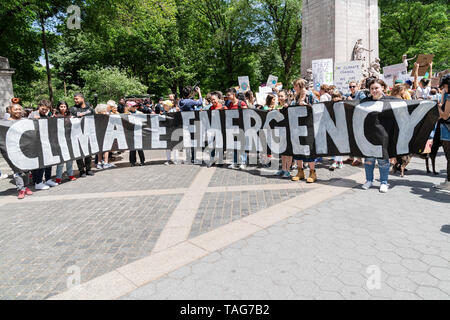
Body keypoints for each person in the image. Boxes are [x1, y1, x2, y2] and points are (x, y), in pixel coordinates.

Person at [360, 78, 392, 193]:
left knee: (383, 161)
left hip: (384, 137)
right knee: (369, 160)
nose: (374, 90)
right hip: (368, 136)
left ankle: (384, 182)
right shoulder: (364, 102)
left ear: (382, 88)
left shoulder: (389, 102)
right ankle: (369, 180)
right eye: (372, 88)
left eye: (376, 88)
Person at [291, 78, 318, 183]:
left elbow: (318, 107)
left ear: (300, 86)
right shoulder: (296, 96)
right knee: (298, 148)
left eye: (295, 86)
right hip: (297, 126)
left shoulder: (310, 95)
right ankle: (300, 171)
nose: (294, 88)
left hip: (308, 126)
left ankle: (312, 172)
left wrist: (306, 105)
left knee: (308, 148)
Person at [29, 99, 58, 190]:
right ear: (39, 106)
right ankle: (38, 182)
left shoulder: (45, 115)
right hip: (36, 143)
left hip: (45, 142)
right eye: (43, 109)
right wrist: (33, 120)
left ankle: (48, 178)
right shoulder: (33, 114)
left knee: (48, 161)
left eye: (46, 109)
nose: (44, 111)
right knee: (41, 163)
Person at [8, 103, 34, 199]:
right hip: (12, 151)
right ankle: (21, 189)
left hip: (25, 149)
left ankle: (26, 187)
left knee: (26, 170)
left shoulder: (24, 121)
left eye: (19, 109)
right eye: (15, 109)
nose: (18, 111)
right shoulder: (5, 122)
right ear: (10, 111)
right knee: (17, 171)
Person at [70, 93, 95, 178]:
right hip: (77, 135)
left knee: (88, 153)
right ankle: (81, 170)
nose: (75, 100)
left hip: (88, 134)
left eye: (77, 99)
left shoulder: (90, 109)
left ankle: (88, 169)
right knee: (79, 153)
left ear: (82, 99)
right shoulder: (73, 109)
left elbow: (95, 120)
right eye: (74, 99)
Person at [54, 101, 77, 184]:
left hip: (69, 140)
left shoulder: (69, 115)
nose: (63, 108)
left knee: (70, 159)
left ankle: (70, 174)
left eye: (64, 106)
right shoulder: (56, 116)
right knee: (61, 161)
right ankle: (58, 177)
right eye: (61, 106)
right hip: (60, 141)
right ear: (58, 107)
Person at [225, 88, 248, 170]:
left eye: (228, 95)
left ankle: (243, 162)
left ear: (233, 94)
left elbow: (247, 114)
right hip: (232, 128)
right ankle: (235, 162)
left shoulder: (241, 103)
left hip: (241, 128)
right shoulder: (229, 104)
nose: (227, 97)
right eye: (227, 95)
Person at [434, 74, 450, 190]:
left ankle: (448, 182)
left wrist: (437, 106)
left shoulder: (449, 97)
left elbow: (445, 115)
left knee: (449, 158)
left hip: (447, 131)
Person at [95, 104, 116, 170]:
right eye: (105, 110)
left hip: (98, 134)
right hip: (104, 133)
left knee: (100, 149)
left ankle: (99, 163)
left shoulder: (96, 117)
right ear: (101, 111)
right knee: (106, 148)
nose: (106, 111)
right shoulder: (104, 117)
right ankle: (105, 163)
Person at [127, 101, 146, 166]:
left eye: (135, 106)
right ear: (130, 107)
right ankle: (132, 162)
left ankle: (142, 161)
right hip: (131, 132)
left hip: (138, 132)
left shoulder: (139, 113)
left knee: (139, 147)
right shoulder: (127, 114)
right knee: (132, 148)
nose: (135, 107)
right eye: (133, 106)